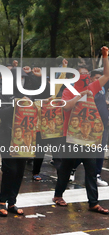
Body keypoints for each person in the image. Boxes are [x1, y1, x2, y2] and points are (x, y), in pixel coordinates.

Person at [53, 46, 109, 214]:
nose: (84, 76)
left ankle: (93, 203)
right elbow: (66, 107)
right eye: (81, 74)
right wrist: (80, 95)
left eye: (86, 74)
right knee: (66, 168)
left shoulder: (93, 87)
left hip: (88, 137)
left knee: (91, 170)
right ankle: (58, 195)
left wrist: (105, 56)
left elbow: (107, 75)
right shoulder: (68, 90)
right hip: (70, 137)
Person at [0, 66, 42, 217]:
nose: (22, 81)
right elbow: (0, 112)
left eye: (24, 78)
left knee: (20, 171)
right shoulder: (3, 93)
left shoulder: (27, 94)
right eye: (19, 78)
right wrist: (16, 105)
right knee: (10, 170)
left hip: (25, 137)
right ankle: (2, 201)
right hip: (7, 137)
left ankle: (12, 202)